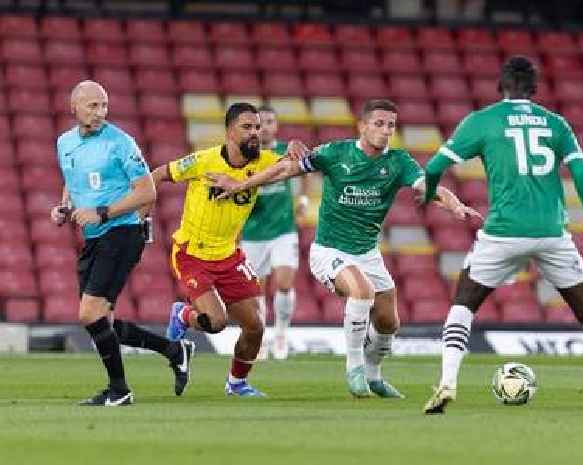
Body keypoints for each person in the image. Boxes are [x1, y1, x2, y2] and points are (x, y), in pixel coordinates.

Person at [420, 56, 583, 416]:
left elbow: (434, 167)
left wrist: (430, 193)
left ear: (502, 86)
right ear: (534, 89)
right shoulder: (557, 125)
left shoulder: (482, 121)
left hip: (503, 232)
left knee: (463, 302)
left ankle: (447, 381)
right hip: (552, 234)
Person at [207, 99, 478, 398]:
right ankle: (354, 368)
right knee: (362, 292)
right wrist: (240, 185)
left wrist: (455, 205)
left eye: (390, 125)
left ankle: (374, 375)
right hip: (330, 251)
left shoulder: (399, 162)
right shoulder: (334, 153)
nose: (385, 130)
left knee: (389, 323)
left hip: (368, 254)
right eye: (379, 123)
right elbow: (284, 171)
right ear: (362, 126)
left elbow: (428, 186)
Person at [52, 80, 194, 407]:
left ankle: (119, 390)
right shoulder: (64, 143)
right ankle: (174, 350)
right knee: (103, 321)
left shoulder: (121, 142)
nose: (101, 112)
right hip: (94, 236)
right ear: (74, 107)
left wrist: (102, 213)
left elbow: (147, 192)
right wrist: (64, 208)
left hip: (123, 231)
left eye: (104, 105)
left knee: (90, 313)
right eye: (93, 106)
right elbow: (71, 180)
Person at [153, 103, 293, 397]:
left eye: (257, 127)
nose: (255, 132)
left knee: (255, 326)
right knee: (216, 323)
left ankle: (237, 383)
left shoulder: (265, 160)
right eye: (247, 127)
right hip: (192, 253)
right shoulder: (203, 161)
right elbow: (158, 175)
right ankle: (183, 315)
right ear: (229, 132)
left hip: (228, 255)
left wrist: (295, 148)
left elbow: (294, 164)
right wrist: (142, 213)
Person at [240, 104, 309, 360]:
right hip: (252, 232)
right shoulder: (246, 155)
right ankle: (260, 337)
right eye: (260, 123)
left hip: (283, 229)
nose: (265, 127)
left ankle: (281, 333)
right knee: (255, 289)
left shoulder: (286, 153)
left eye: (270, 121)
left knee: (284, 282)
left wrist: (302, 200)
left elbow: (305, 171)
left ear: (276, 126)